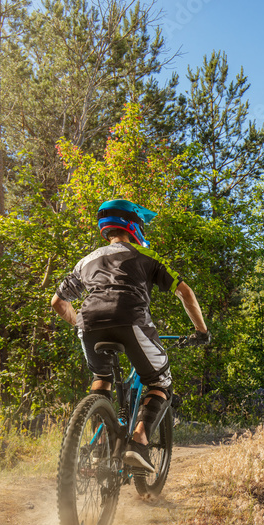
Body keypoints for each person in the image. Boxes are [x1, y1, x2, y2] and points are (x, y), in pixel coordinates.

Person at [50, 199, 209, 474]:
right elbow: (186, 293)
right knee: (161, 381)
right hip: (130, 321)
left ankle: (100, 449)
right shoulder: (147, 259)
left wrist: (82, 324)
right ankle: (138, 442)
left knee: (102, 380)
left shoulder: (85, 262)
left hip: (88, 324)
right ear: (134, 226)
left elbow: (57, 302)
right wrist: (201, 332)